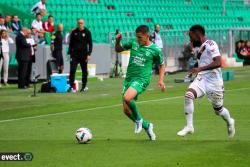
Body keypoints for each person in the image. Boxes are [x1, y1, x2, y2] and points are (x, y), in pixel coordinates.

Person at [177, 25, 235, 138]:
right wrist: (193, 69)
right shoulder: (198, 47)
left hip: (214, 82)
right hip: (202, 78)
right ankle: (189, 126)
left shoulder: (211, 44)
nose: (189, 38)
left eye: (190, 36)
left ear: (197, 34)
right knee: (189, 95)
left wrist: (200, 69)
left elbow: (218, 62)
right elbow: (201, 62)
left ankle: (230, 121)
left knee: (218, 110)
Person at [115, 25, 166, 141]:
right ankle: (147, 126)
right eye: (137, 37)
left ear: (147, 36)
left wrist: (161, 80)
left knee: (128, 98)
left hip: (142, 79)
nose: (138, 40)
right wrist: (117, 41)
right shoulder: (134, 43)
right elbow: (118, 49)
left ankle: (138, 120)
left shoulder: (155, 50)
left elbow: (162, 64)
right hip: (129, 79)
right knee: (126, 111)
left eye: (140, 37)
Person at [68, 19, 92, 92]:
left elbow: (90, 44)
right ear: (77, 24)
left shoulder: (87, 32)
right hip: (74, 55)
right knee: (72, 70)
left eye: (81, 23)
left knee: (84, 71)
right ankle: (71, 87)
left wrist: (89, 54)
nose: (80, 24)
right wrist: (69, 53)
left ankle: (84, 86)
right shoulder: (74, 32)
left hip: (84, 55)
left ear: (83, 23)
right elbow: (71, 44)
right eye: (79, 23)